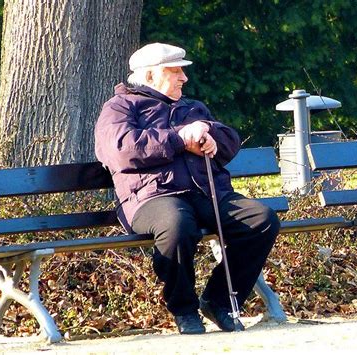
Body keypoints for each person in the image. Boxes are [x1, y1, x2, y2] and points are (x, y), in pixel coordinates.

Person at [94, 43, 280, 335]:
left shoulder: (192, 108)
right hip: (150, 198)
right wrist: (179, 139)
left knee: (261, 219)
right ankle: (184, 309)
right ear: (151, 75)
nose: (184, 78)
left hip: (206, 193)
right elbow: (121, 150)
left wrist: (210, 135)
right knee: (177, 224)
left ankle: (217, 301)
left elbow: (230, 141)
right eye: (176, 71)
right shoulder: (119, 108)